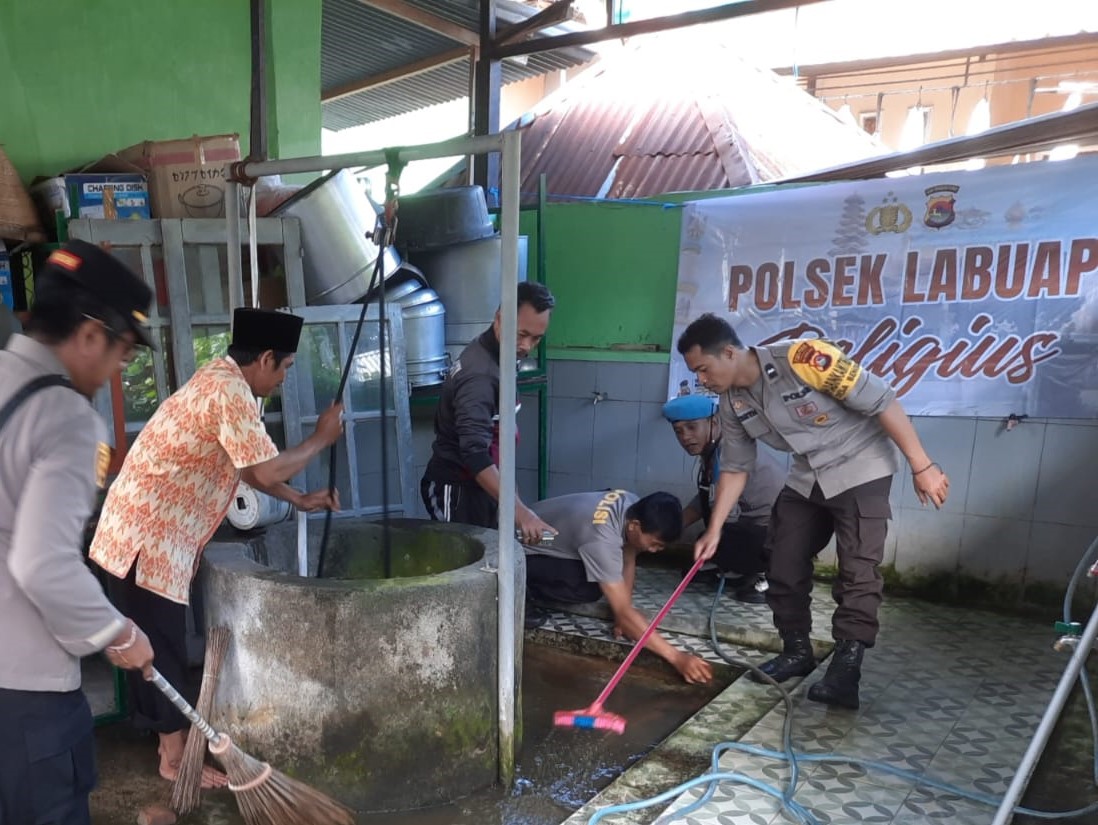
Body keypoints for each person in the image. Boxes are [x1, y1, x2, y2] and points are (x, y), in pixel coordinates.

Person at [89, 307, 344, 786]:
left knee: (148, 640)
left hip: (139, 534)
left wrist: (297, 498)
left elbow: (249, 467)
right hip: (147, 541)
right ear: (266, 358)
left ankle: (169, 744)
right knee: (156, 647)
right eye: (286, 367)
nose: (285, 378)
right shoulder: (229, 391)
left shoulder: (222, 379)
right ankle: (174, 759)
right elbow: (263, 470)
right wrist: (319, 440)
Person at [677, 314, 949, 709]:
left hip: (862, 465)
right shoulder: (731, 403)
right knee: (782, 560)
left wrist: (923, 467)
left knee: (857, 570)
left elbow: (883, 401)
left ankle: (845, 670)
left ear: (730, 353)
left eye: (703, 368)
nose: (701, 378)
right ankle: (796, 650)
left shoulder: (805, 358)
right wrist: (714, 528)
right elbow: (736, 467)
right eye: (695, 372)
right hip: (809, 474)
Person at [0, 240, 157, 825]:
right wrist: (115, 632)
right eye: (123, 354)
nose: (119, 370)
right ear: (90, 335)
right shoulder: (66, 418)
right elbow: (41, 563)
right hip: (25, 706)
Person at [525, 489, 713, 685]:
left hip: (552, 537)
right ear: (635, 526)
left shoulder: (630, 504)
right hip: (520, 548)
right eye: (655, 544)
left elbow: (628, 558)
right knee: (588, 587)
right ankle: (523, 592)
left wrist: (624, 610)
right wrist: (677, 658)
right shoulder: (601, 539)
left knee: (607, 583)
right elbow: (622, 609)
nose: (654, 551)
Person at [421, 281, 557, 544]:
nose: (527, 347)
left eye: (536, 338)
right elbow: (474, 454)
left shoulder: (502, 355)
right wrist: (520, 512)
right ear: (499, 319)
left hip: (482, 488)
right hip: (457, 490)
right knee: (461, 568)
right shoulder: (480, 376)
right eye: (521, 334)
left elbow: (497, 439)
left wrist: (512, 500)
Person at [661, 394, 785, 604]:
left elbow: (727, 515)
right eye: (678, 431)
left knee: (719, 540)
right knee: (710, 538)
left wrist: (713, 545)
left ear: (714, 422)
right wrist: (674, 526)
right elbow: (707, 498)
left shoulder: (728, 454)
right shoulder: (715, 449)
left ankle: (770, 577)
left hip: (777, 535)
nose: (685, 437)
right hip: (755, 529)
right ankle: (734, 569)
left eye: (692, 427)